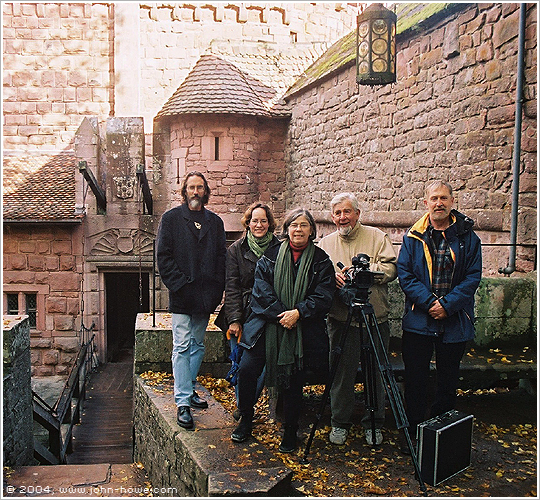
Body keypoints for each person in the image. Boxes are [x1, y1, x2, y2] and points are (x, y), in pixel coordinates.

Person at [231, 208, 335, 453]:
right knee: (247, 371)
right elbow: (260, 291)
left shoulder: (321, 261)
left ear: (312, 230)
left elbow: (323, 296)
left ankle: (290, 429)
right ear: (286, 229)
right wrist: (282, 315)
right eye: (294, 225)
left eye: (303, 225)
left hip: (302, 330)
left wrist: (298, 312)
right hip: (267, 325)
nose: (298, 230)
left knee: (294, 380)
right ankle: (246, 418)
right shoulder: (271, 256)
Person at [397, 180, 482, 454]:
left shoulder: (469, 238)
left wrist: (448, 305)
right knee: (416, 381)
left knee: (447, 381)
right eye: (434, 198)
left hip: (454, 321)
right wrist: (429, 302)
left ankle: (440, 437)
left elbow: (472, 277)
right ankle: (412, 435)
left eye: (444, 198)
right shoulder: (413, 237)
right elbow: (405, 274)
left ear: (452, 201)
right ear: (426, 203)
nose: (439, 203)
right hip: (419, 320)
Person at [318, 192, 397, 447]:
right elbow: (317, 275)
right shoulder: (325, 243)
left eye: (347, 212)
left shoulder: (377, 237)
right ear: (332, 217)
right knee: (341, 374)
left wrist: (366, 272)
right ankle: (339, 422)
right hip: (342, 318)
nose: (343, 217)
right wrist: (334, 278)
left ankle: (374, 423)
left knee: (376, 373)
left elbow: (391, 269)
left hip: (375, 319)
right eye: (338, 213)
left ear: (357, 214)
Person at [156, 171, 226, 430]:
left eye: (200, 188)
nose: (195, 192)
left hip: (206, 295)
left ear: (205, 192)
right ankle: (183, 402)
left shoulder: (215, 222)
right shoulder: (171, 219)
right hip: (182, 295)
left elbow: (221, 258)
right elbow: (163, 257)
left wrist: (217, 290)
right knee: (182, 345)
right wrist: (181, 286)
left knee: (197, 345)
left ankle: (190, 388)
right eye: (191, 187)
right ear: (184, 191)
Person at [216, 202, 281, 419]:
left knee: (262, 365)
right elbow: (232, 286)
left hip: (267, 313)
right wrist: (234, 319)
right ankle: (243, 409)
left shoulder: (279, 249)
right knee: (240, 362)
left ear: (270, 223)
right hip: (243, 312)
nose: (259, 224)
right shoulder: (236, 249)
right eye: (255, 220)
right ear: (248, 223)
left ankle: (246, 405)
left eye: (263, 220)